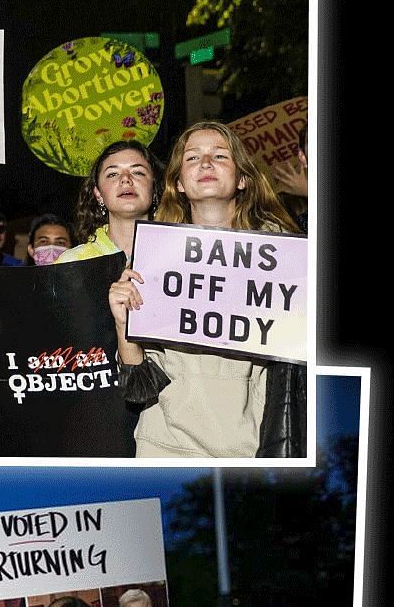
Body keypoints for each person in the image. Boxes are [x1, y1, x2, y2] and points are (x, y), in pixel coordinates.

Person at [109, 120, 305, 457]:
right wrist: (123, 325)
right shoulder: (155, 257)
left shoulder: (287, 259)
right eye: (193, 158)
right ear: (179, 184)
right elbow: (139, 388)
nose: (205, 164)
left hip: (251, 447)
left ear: (243, 178)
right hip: (165, 446)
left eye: (220, 156)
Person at [61, 139, 160, 265]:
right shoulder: (71, 263)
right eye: (113, 174)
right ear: (98, 194)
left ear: (154, 187)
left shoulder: (179, 254)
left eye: (138, 172)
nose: (125, 179)